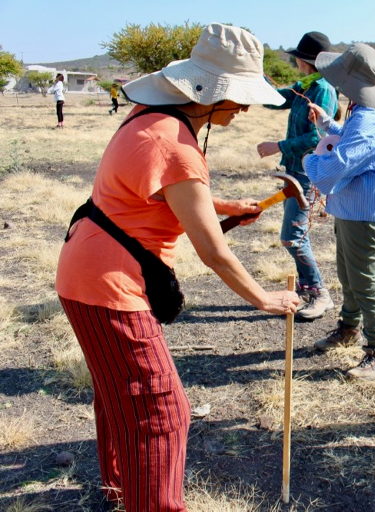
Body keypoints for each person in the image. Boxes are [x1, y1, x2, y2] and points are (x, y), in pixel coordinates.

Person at [56, 24, 300, 512]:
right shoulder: (176, 145)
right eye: (240, 97)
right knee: (160, 411)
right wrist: (264, 298)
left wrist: (226, 206)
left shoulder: (152, 118)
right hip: (110, 286)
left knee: (119, 396)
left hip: (85, 271)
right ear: (209, 92)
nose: (244, 108)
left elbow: (161, 194)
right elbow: (214, 252)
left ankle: (124, 490)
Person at [302, 42, 375, 380]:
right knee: (349, 274)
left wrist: (309, 160)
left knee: (364, 280)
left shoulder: (371, 119)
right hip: (351, 206)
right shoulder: (369, 111)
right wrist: (328, 124)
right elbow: (350, 137)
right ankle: (348, 328)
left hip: (365, 211)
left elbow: (335, 167)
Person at [256, 32, 338, 321]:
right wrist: (254, 75)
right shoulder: (306, 85)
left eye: (298, 58)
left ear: (305, 60)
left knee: (293, 237)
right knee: (295, 236)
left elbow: (317, 137)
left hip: (307, 172)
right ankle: (309, 289)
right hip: (296, 170)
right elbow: (275, 100)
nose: (295, 62)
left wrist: (278, 146)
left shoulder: (323, 89)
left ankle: (320, 294)